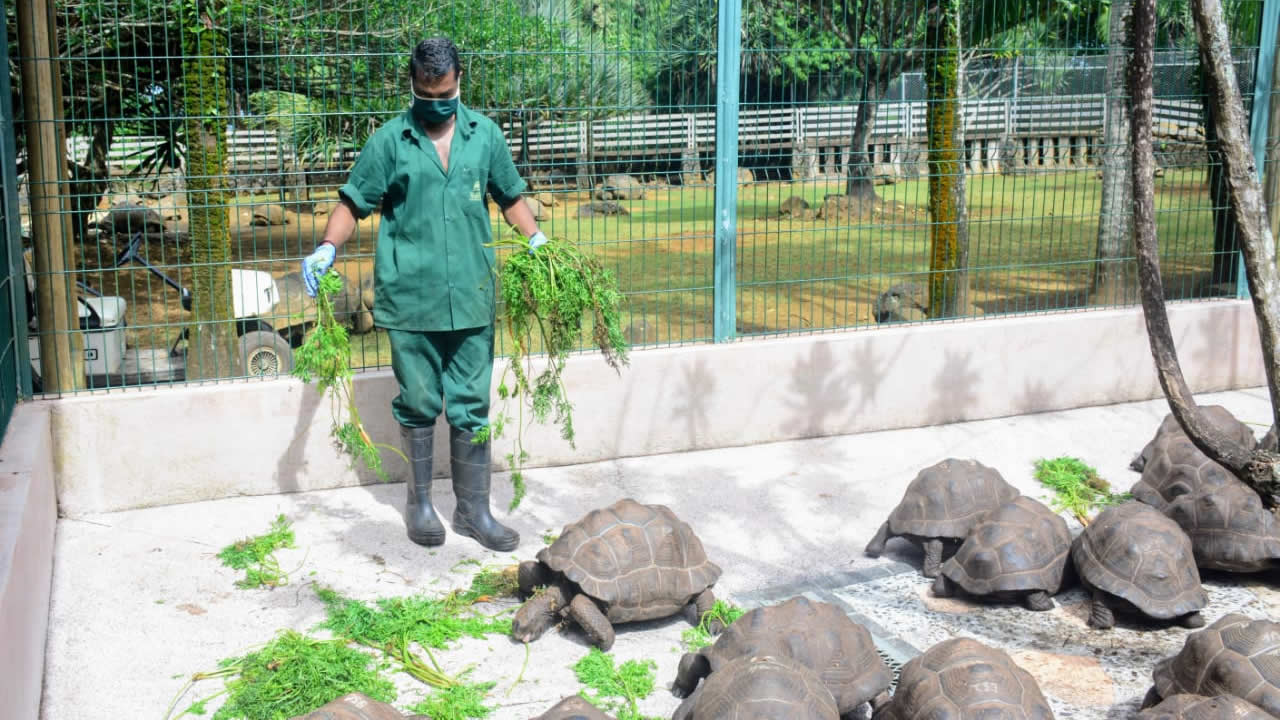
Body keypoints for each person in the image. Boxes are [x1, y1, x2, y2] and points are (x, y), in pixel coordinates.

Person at [300, 36, 546, 552]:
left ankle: (474, 511)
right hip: (411, 300)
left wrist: (538, 240)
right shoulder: (390, 141)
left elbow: (510, 196)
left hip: (473, 298)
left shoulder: (485, 136)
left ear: (460, 81)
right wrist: (327, 247)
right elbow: (353, 201)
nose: (437, 102)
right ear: (411, 84)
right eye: (426, 92)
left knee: (471, 405)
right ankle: (419, 504)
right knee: (418, 402)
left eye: (446, 92)